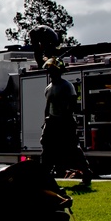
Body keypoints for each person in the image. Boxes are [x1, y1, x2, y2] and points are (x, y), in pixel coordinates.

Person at [31, 25, 92, 185]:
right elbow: (48, 106)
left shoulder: (67, 86)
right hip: (52, 122)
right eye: (49, 70)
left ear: (58, 71)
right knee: (46, 149)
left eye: (52, 70)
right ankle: (44, 177)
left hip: (64, 122)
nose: (50, 72)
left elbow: (72, 104)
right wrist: (46, 121)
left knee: (72, 148)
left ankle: (86, 172)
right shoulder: (49, 88)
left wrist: (66, 119)